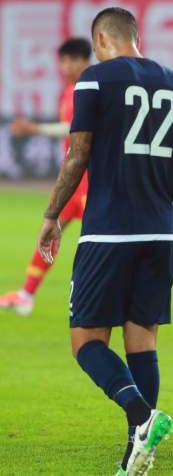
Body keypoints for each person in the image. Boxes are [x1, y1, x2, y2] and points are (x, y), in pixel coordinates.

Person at [35, 7, 173, 474]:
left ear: (100, 39)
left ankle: (140, 416)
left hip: (108, 232)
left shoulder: (94, 80)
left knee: (86, 342)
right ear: (135, 36)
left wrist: (52, 214)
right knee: (142, 341)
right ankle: (139, 449)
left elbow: (78, 153)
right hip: (160, 234)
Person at [0, 38, 92, 317]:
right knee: (49, 231)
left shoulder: (89, 90)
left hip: (92, 180)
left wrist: (35, 129)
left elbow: (75, 129)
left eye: (72, 60)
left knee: (98, 243)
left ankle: (111, 298)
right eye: (63, 60)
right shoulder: (68, 91)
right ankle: (26, 294)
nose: (66, 66)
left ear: (85, 61)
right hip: (72, 181)